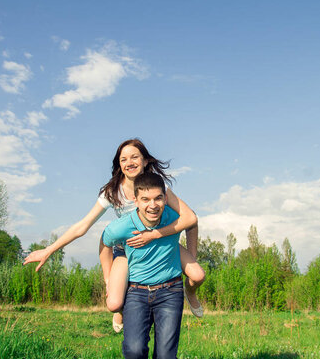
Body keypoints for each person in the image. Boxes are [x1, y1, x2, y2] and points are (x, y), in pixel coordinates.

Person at [23, 139, 205, 332]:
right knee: (114, 303)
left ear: (145, 161)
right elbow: (83, 226)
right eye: (123, 159)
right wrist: (49, 250)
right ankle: (122, 306)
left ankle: (190, 292)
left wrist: (155, 236)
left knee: (198, 275)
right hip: (128, 248)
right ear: (119, 165)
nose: (130, 162)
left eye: (135, 157)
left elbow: (190, 218)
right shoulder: (112, 192)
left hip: (159, 243)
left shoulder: (156, 187)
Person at [101, 172, 185, 359]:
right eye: (145, 199)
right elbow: (104, 244)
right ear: (135, 200)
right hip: (136, 292)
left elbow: (192, 222)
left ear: (165, 198)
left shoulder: (174, 217)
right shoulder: (121, 227)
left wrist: (194, 253)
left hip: (170, 291)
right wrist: (108, 278)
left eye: (158, 198)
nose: (152, 205)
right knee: (134, 351)